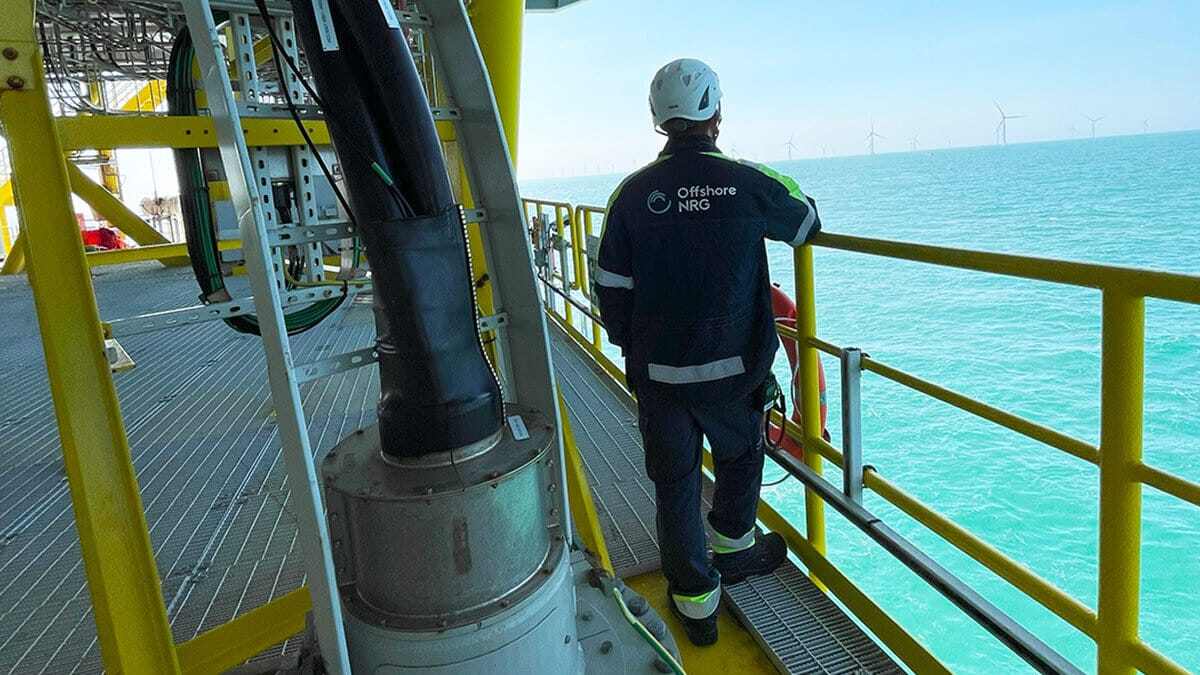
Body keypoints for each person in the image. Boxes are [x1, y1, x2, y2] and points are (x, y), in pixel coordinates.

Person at [593, 58, 822, 647]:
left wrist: (636, 349)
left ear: (658, 120)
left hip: (661, 378)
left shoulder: (632, 193)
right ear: (717, 113)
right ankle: (735, 549)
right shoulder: (747, 183)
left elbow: (611, 289)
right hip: (735, 373)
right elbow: (805, 222)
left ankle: (696, 605)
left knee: (674, 485)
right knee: (742, 461)